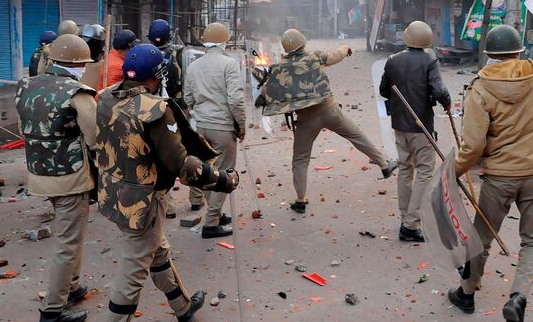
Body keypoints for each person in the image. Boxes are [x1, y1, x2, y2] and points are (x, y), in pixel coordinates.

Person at [95, 43, 239, 322]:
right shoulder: (155, 110)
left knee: (158, 253)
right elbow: (183, 165)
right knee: (133, 271)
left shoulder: (105, 98)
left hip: (113, 192)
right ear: (157, 74)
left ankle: (183, 309)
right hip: (143, 203)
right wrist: (224, 180)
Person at [447, 25, 533, 322]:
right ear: (518, 51)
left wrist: (454, 171)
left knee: (481, 237)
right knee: (532, 239)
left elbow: (474, 144)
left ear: (490, 54)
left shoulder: (480, 88)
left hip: (500, 177)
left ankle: (466, 294)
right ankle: (518, 297)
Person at [261, 29, 398, 214]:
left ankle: (300, 200)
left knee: (300, 160)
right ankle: (384, 164)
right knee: (356, 136)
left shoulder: (279, 68)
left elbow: (266, 95)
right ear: (303, 43)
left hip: (305, 119)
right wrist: (345, 47)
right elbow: (336, 55)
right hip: (330, 110)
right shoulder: (314, 56)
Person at [15, 34, 97, 322]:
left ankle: (71, 287)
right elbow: (94, 137)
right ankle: (52, 310)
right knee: (68, 242)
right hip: (70, 176)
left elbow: (25, 123)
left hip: (39, 172)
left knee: (69, 237)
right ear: (78, 64)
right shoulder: (78, 92)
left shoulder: (26, 84)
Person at [379, 21, 450, 243]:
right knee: (425, 171)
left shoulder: (392, 61)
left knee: (405, 170)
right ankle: (411, 223)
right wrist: (446, 103)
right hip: (421, 127)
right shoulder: (429, 60)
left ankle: (405, 218)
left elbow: (384, 91)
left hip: (399, 125)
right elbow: (439, 90)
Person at [183, 23, 246, 238]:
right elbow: (236, 100)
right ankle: (211, 224)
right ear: (224, 41)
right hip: (222, 127)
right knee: (225, 173)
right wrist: (241, 124)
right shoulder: (229, 64)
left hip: (200, 127)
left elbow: (188, 99)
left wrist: (199, 115)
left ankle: (215, 214)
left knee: (208, 173)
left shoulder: (193, 67)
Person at [148, 19, 185, 218]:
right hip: (176, 109)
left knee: (160, 157)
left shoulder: (145, 55)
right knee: (186, 150)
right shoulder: (178, 54)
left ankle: (168, 204)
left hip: (153, 111)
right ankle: (196, 198)